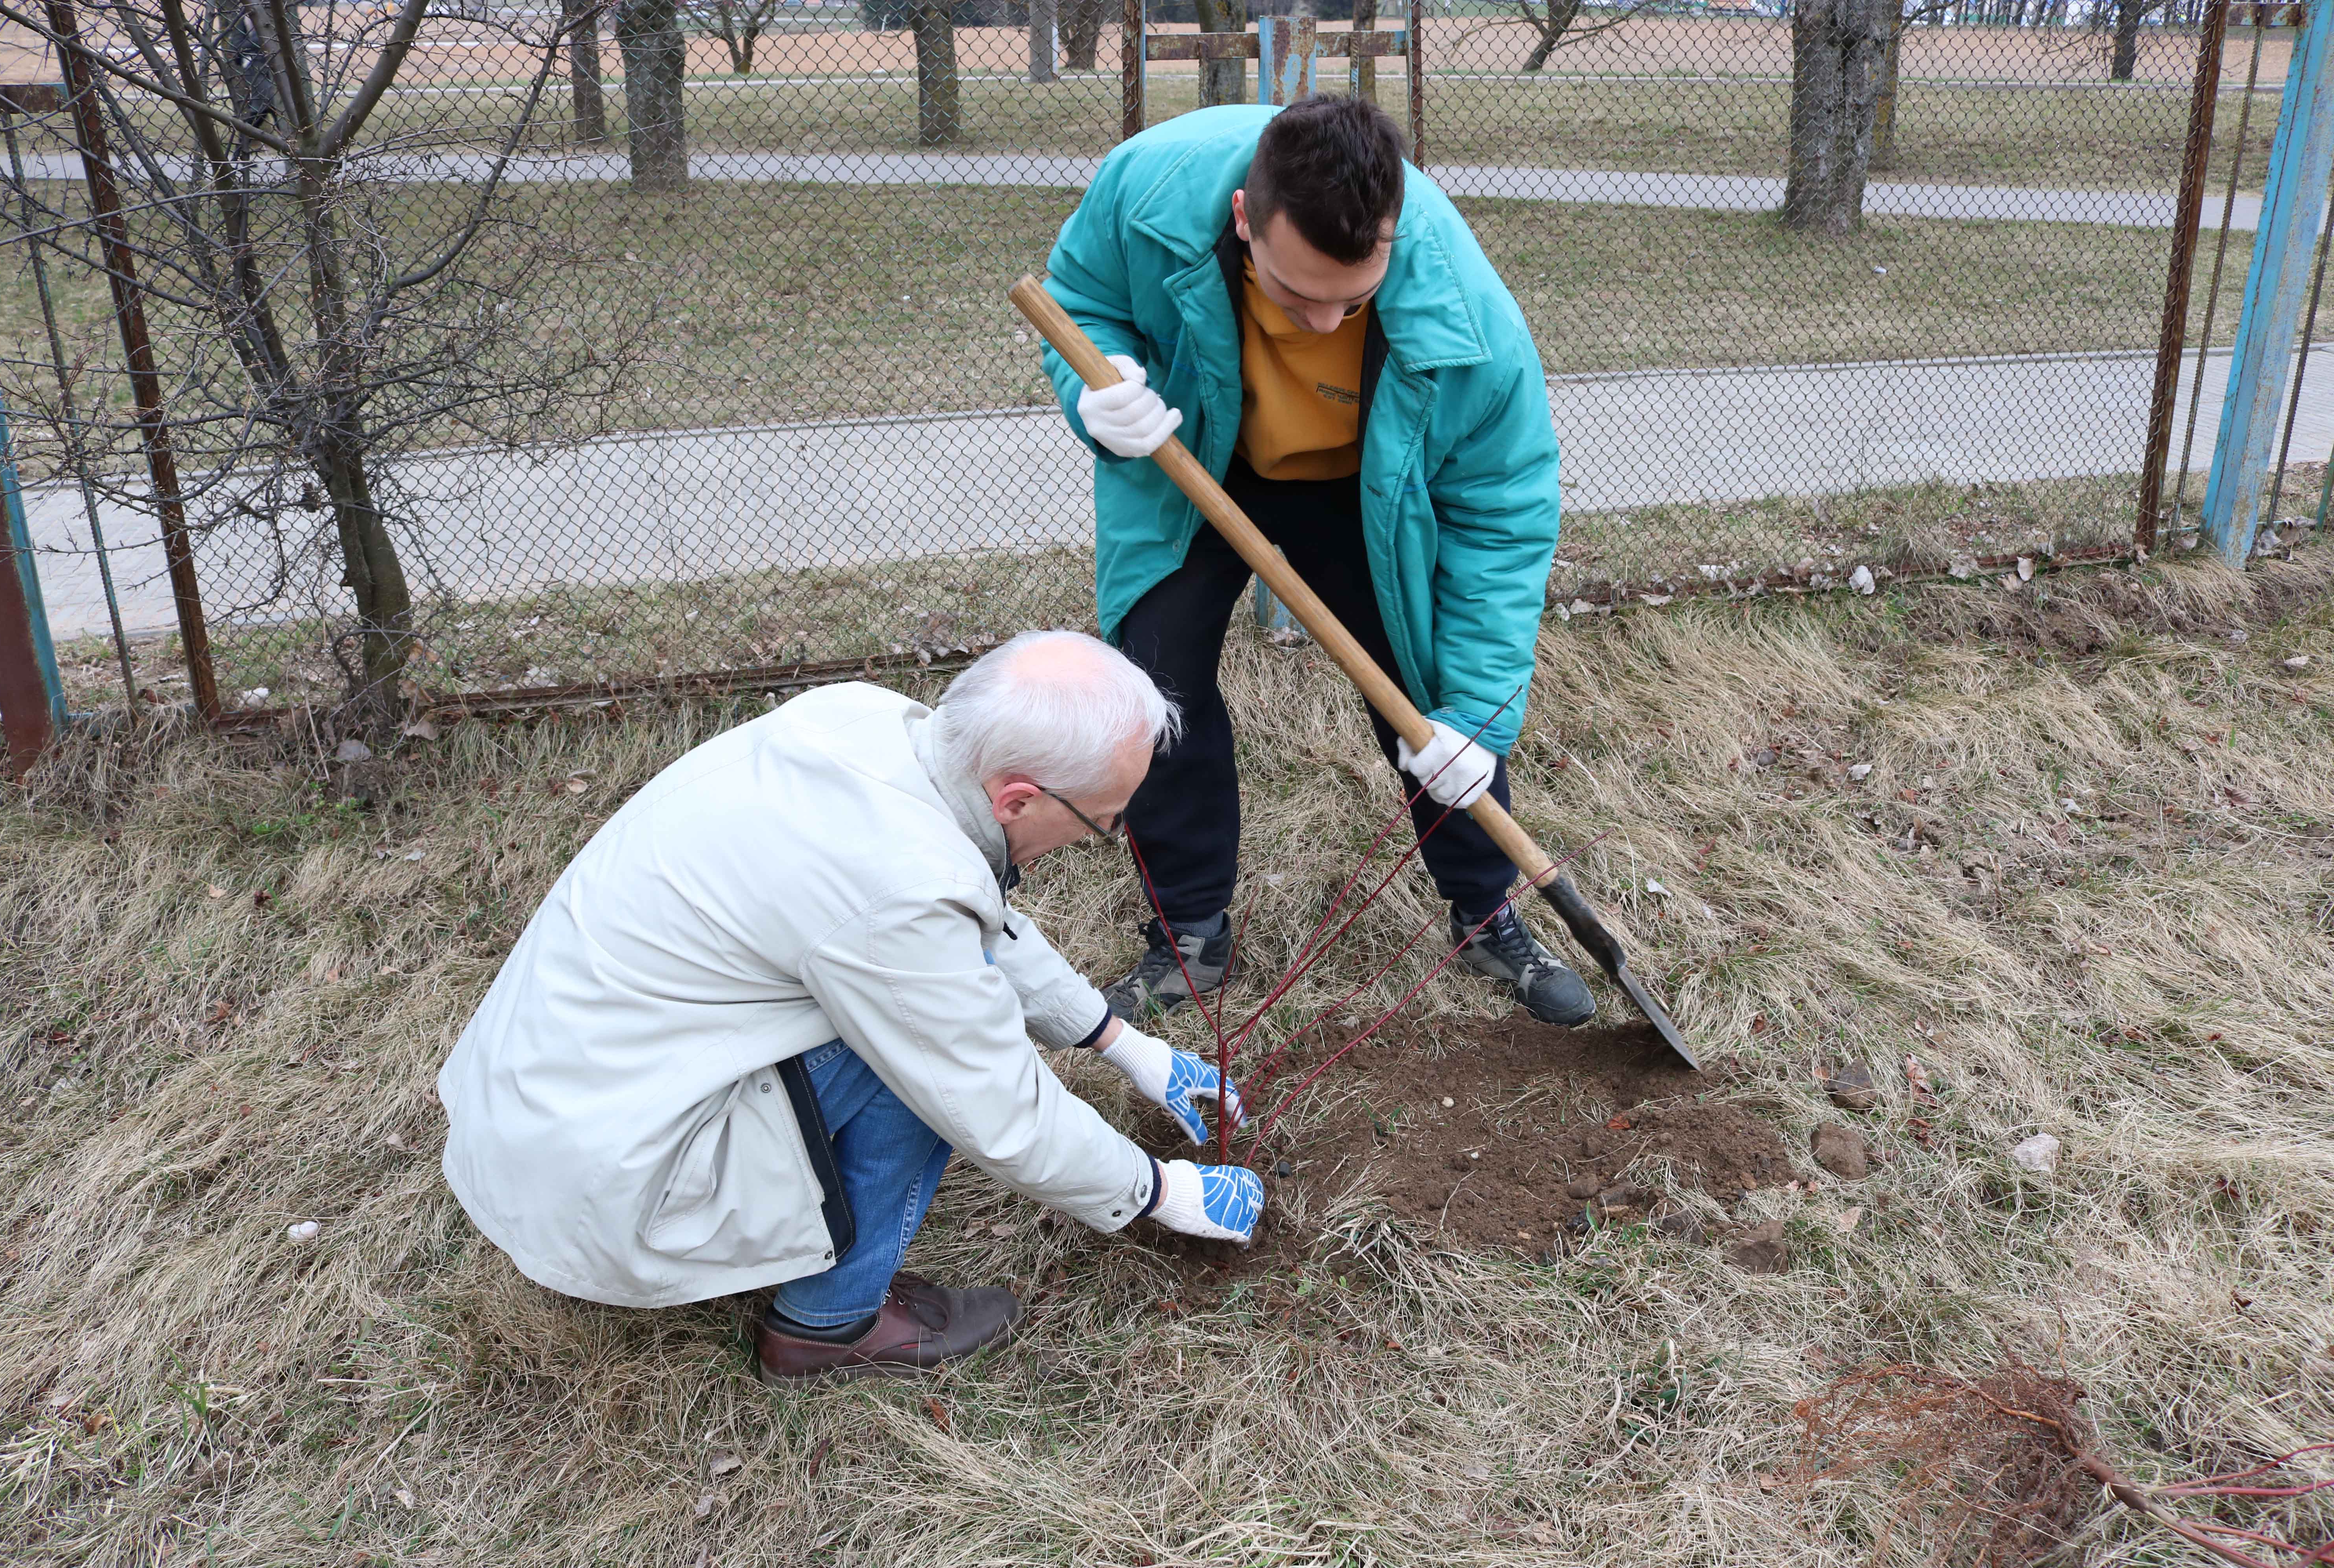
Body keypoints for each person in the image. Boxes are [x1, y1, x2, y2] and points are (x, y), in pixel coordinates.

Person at [437, 631, 1263, 1381]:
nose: (1101, 835)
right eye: (1102, 821)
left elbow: (970, 918)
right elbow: (994, 1101)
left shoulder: (870, 724)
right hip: (611, 1172)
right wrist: (1159, 1189)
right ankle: (830, 1324)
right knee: (918, 1056)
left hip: (544, 1101)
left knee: (916, 1007)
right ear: (1017, 798)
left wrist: (1122, 1042)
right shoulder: (897, 890)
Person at [1038, 95, 1595, 1031]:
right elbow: (1080, 296)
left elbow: (1504, 516)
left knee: (1423, 700)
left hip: (1363, 492)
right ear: (1246, 220)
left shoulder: (1467, 313)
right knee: (1157, 684)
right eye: (1299, 296)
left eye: (1356, 299)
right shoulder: (1150, 189)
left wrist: (1478, 721)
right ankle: (1189, 934)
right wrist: (1099, 385)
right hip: (1195, 458)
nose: (1327, 322)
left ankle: (1486, 911)